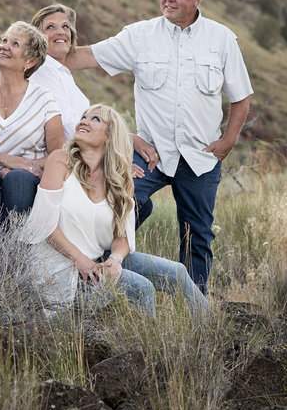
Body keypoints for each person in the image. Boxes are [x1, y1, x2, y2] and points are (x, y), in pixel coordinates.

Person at [66, 0, 252, 294]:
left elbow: (241, 98)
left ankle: (195, 307)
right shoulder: (141, 35)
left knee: (197, 233)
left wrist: (228, 141)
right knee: (122, 203)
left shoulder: (221, 40)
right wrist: (42, 49)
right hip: (149, 153)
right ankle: (104, 276)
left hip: (200, 156)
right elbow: (87, 57)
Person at [24, 104, 208, 316]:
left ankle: (214, 333)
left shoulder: (121, 179)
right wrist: (81, 261)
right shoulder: (60, 161)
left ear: (109, 137)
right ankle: (145, 347)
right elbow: (43, 225)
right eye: (83, 116)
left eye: (95, 119)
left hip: (98, 259)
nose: (83, 120)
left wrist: (116, 260)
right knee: (141, 288)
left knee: (177, 272)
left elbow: (122, 236)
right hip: (59, 266)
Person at [0, 21, 66, 216]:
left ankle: (12, 245)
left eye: (15, 44)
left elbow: (58, 155)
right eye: (4, 40)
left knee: (18, 179)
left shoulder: (45, 100)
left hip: (23, 183)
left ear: (30, 61)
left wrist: (18, 167)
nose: (4, 46)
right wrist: (7, 162)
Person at [29, 4, 89, 138]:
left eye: (65, 27)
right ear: (38, 37)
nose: (60, 32)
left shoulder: (60, 71)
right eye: (51, 27)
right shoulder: (43, 70)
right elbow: (65, 124)